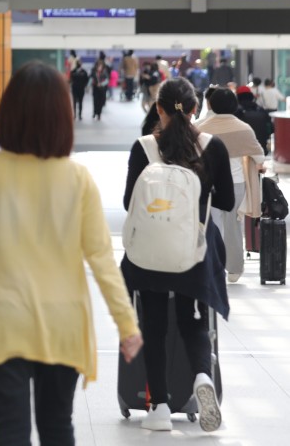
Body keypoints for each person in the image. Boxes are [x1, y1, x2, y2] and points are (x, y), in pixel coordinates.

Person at [0, 61, 142, 446]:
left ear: (9, 112)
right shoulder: (77, 180)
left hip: (0, 318)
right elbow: (102, 259)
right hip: (62, 321)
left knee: (10, 433)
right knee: (58, 428)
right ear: (62, 116)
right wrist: (126, 325)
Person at [121, 77, 234, 433]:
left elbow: (128, 203)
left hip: (150, 253)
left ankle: (159, 408)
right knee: (193, 318)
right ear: (196, 109)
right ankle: (202, 375)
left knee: (152, 324)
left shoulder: (143, 147)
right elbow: (228, 202)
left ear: (158, 109)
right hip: (194, 251)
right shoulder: (212, 147)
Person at [198, 87, 265, 283]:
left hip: (207, 184)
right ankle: (234, 269)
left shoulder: (201, 127)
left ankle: (210, 263)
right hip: (235, 184)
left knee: (209, 224)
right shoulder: (243, 128)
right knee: (233, 226)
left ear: (211, 104)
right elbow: (259, 155)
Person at [235, 85, 272, 155]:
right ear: (251, 96)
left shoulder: (235, 112)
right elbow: (271, 129)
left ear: (238, 97)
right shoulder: (262, 110)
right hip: (261, 150)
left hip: (242, 153)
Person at [91, 56, 109, 120]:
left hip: (102, 89)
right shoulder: (94, 72)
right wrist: (93, 84)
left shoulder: (104, 72)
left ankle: (99, 114)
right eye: (98, 66)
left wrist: (101, 84)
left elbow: (107, 80)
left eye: (101, 66)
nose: (99, 67)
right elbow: (91, 79)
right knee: (95, 101)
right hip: (95, 88)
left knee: (100, 102)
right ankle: (95, 112)